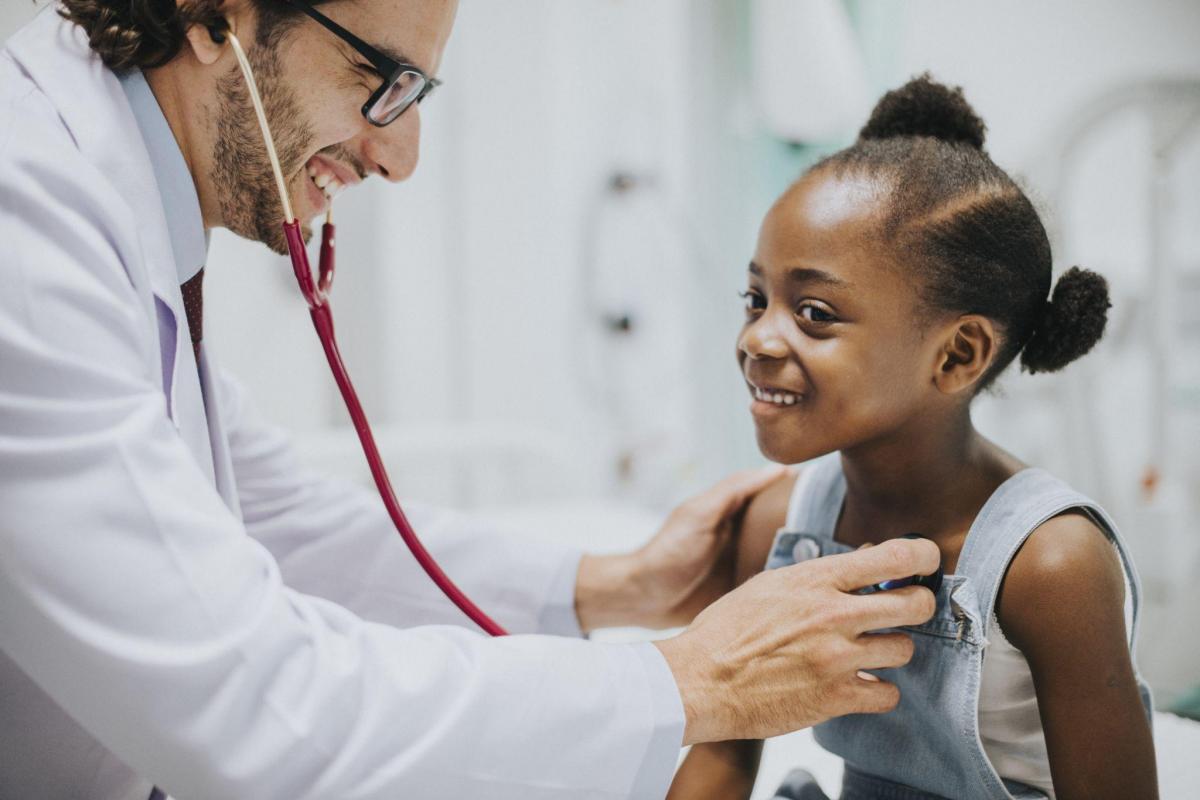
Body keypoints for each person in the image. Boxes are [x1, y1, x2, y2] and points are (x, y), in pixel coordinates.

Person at [0, 2, 941, 798]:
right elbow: (252, 704)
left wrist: (618, 586)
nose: (399, 157)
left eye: (419, 96)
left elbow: (275, 514)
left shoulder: (115, 199)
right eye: (383, 81)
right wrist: (690, 679)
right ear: (215, 17)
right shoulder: (26, 219)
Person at [667, 76, 1158, 800]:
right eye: (755, 298)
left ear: (957, 355)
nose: (758, 338)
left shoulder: (1052, 564)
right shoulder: (778, 526)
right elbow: (720, 760)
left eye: (814, 312)